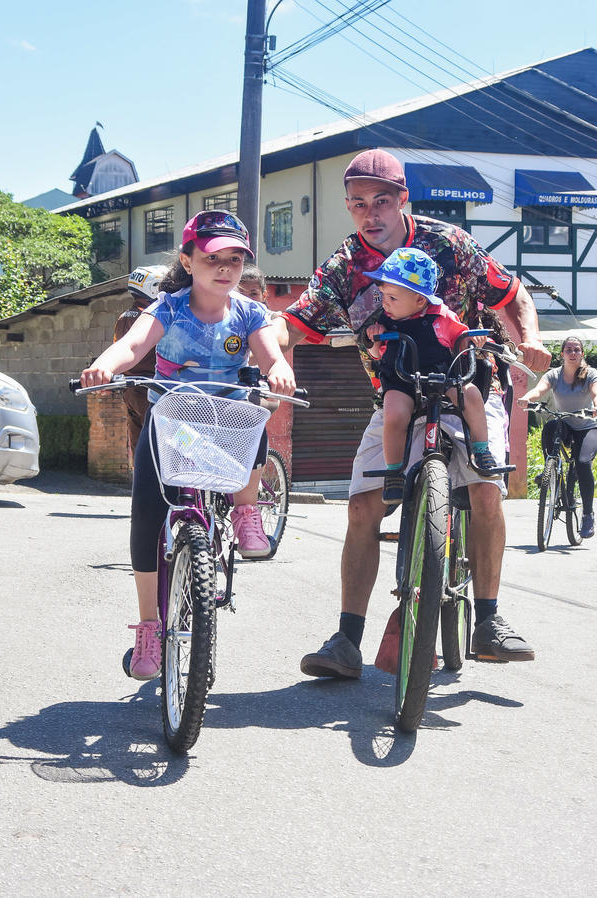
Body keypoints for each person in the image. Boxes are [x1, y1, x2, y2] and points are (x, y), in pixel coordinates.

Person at [272, 148, 551, 676]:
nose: (369, 214)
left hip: (468, 382)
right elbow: (296, 320)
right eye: (357, 204)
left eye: (381, 201)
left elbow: (511, 296)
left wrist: (531, 340)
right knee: (361, 507)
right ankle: (346, 640)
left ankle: (489, 620)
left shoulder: (450, 244)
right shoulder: (344, 266)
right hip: (397, 393)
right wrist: (261, 347)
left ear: (402, 198)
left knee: (486, 491)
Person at [80, 210, 295, 680]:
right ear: (189, 260)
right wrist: (105, 363)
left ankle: (245, 511)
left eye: (236, 259)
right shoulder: (169, 308)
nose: (226, 267)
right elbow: (134, 346)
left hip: (228, 425)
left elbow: (272, 356)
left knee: (257, 412)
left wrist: (280, 371)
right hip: (175, 423)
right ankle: (149, 627)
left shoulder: (250, 312)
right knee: (146, 516)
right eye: (214, 257)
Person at [364, 246, 501, 503]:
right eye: (383, 295)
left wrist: (474, 340)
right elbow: (375, 354)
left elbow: (462, 340)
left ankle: (481, 451)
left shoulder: (443, 317)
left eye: (392, 298)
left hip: (442, 377)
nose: (385, 303)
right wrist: (373, 339)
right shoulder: (385, 320)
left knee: (471, 396)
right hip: (402, 380)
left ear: (420, 300)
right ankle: (394, 471)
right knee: (393, 415)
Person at [518, 334, 597, 538]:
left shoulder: (590, 374)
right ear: (562, 354)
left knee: (582, 463)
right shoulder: (554, 374)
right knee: (550, 427)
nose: (573, 353)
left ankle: (588, 514)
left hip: (588, 427)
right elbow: (539, 390)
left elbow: (595, 392)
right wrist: (527, 398)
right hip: (566, 423)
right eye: (569, 350)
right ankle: (550, 470)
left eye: (576, 349)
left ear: (582, 353)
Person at [113, 265, 167, 455]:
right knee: (169, 438)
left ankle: (140, 480)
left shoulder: (123, 317)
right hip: (151, 389)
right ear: (153, 288)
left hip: (131, 390)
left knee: (140, 445)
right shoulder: (151, 318)